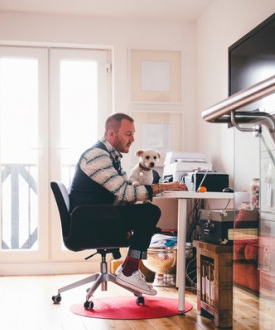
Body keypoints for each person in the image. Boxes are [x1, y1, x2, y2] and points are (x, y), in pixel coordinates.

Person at [69, 113, 188, 295]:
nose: (133, 139)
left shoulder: (111, 157)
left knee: (146, 211)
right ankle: (129, 270)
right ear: (111, 134)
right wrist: (163, 186)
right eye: (128, 134)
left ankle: (129, 268)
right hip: (88, 221)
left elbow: (125, 190)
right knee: (149, 212)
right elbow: (125, 193)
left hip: (97, 214)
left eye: (133, 134)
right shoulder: (97, 156)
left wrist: (157, 188)